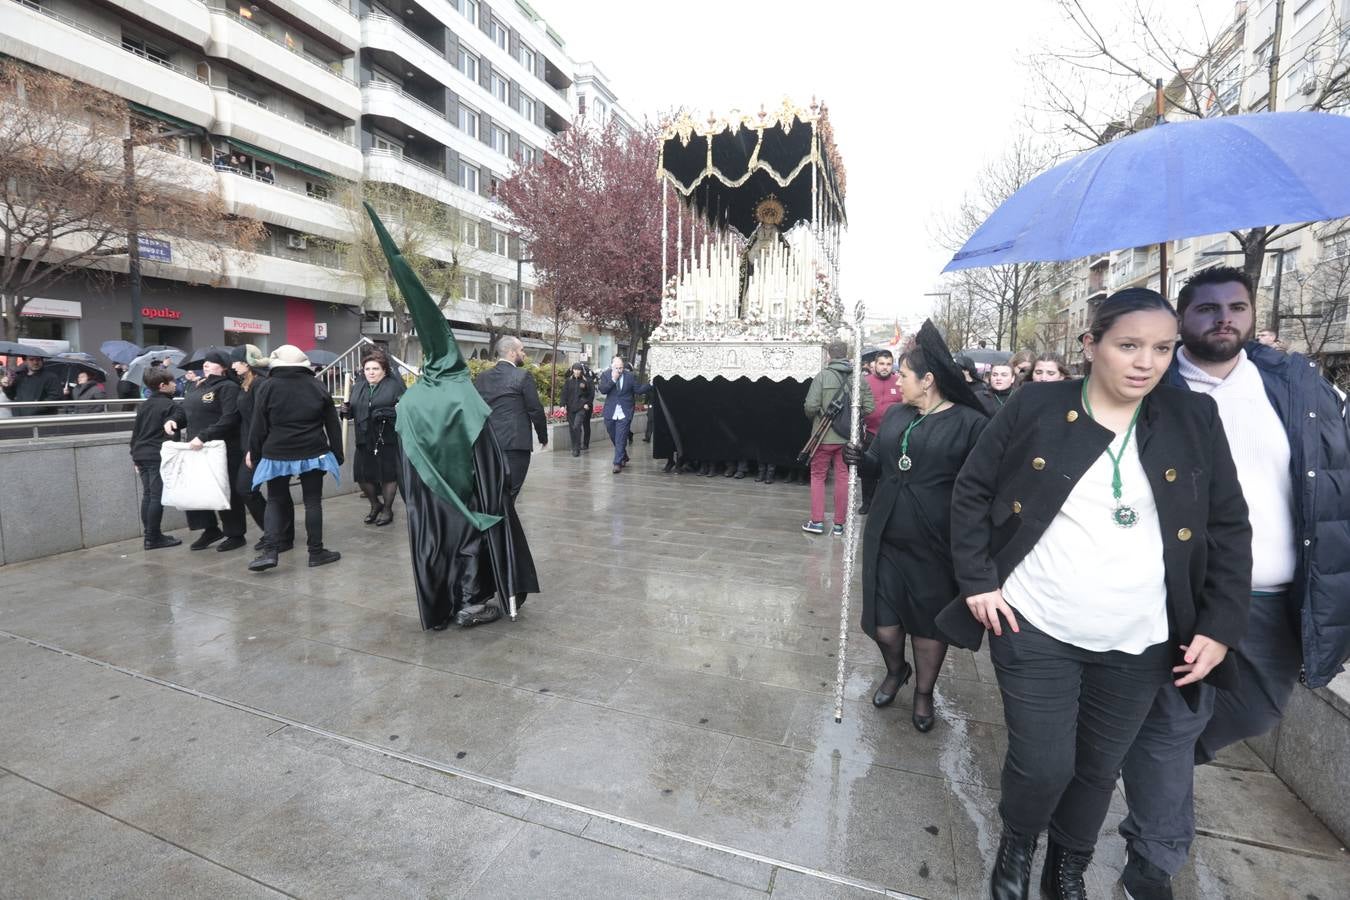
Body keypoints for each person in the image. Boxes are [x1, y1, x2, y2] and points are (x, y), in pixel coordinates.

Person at [938, 288, 1252, 900]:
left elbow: (1227, 526)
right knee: (1044, 763)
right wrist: (977, 581)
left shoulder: (1193, 420)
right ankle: (1018, 844)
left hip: (1140, 639)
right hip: (1036, 624)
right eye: (1128, 345)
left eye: (1163, 348)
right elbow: (972, 489)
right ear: (1092, 345)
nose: (1146, 362)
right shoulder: (1037, 404)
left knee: (1097, 769)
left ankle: (1067, 866)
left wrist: (1219, 625)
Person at [1117, 267, 1350, 900]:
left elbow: (1331, 478)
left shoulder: (1295, 384)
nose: (1224, 318)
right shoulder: (1153, 392)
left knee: (1259, 709)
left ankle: (1147, 762)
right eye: (1206, 309)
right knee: (1170, 728)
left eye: (1237, 307)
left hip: (1276, 597)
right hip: (1183, 599)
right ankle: (1154, 859)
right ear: (1180, 320)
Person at [843, 321, 988, 731]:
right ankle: (895, 669)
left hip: (935, 543)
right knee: (885, 626)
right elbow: (882, 463)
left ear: (928, 381)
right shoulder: (895, 416)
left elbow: (980, 487)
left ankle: (924, 694)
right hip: (887, 535)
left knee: (927, 629)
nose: (898, 383)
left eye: (904, 376)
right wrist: (863, 460)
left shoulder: (971, 424)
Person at [246, 345, 343, 572]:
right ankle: (316, 553)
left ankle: (270, 550)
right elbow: (333, 424)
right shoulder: (317, 386)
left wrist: (255, 452)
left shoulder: (268, 387)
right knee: (312, 502)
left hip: (276, 452)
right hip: (313, 452)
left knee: (275, 500)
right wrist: (337, 453)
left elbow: (258, 425)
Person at [165, 349, 248, 551]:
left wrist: (204, 436)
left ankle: (235, 534)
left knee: (226, 491)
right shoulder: (196, 386)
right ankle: (209, 528)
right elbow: (186, 412)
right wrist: (174, 420)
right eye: (205, 362)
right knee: (197, 489)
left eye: (212, 362)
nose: (206, 364)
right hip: (196, 448)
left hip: (221, 447)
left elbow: (230, 418)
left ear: (224, 367)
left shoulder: (228, 387)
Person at [802, 341, 874, 534]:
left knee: (818, 477)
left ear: (829, 356)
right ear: (846, 354)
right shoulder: (858, 379)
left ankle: (816, 521)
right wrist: (850, 419)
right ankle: (839, 525)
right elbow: (869, 407)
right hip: (847, 438)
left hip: (823, 437)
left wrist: (821, 418)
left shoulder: (822, 376)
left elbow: (810, 406)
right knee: (843, 478)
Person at [232, 344, 288, 552]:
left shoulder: (261, 384)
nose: (232, 365)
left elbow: (261, 420)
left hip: (263, 447)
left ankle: (277, 534)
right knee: (249, 489)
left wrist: (253, 449)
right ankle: (274, 532)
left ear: (246, 363)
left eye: (235, 361)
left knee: (263, 490)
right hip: (252, 445)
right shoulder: (245, 383)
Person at [474, 336, 547, 497]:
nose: (524, 354)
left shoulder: (482, 378)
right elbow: (535, 409)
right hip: (515, 445)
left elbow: (474, 409)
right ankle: (504, 522)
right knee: (511, 492)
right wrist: (543, 437)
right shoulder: (523, 376)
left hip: (489, 444)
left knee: (493, 493)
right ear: (512, 353)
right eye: (522, 350)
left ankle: (499, 521)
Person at [342, 351, 405, 525]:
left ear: (384, 370)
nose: (370, 372)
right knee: (362, 475)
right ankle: (375, 504)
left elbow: (405, 410)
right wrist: (346, 411)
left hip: (386, 436)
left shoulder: (394, 386)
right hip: (363, 436)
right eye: (367, 368)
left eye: (375, 368)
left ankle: (387, 509)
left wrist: (387, 413)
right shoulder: (358, 387)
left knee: (387, 475)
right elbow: (353, 411)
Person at [129, 369, 184, 550]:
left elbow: (136, 433)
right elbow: (181, 418)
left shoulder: (144, 405)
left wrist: (134, 457)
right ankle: (153, 538)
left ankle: (151, 535)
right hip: (156, 455)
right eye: (172, 381)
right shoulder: (170, 405)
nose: (175, 384)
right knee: (155, 497)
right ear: (163, 386)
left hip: (141, 454)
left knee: (148, 495)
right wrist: (173, 420)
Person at [860, 349, 904, 514]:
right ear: (875, 365)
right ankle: (867, 502)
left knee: (890, 471)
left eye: (888, 364)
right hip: (870, 434)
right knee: (868, 470)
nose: (885, 367)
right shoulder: (865, 382)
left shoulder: (899, 382)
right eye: (882, 364)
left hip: (893, 435)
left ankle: (886, 503)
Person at [598, 354, 650, 474]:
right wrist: (613, 379)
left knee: (621, 437)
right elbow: (603, 390)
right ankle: (623, 456)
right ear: (612, 367)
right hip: (610, 411)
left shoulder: (630, 376)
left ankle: (617, 463)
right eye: (617, 368)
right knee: (613, 435)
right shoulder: (606, 375)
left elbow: (638, 390)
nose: (620, 370)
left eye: (621, 367)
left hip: (625, 411)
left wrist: (650, 385)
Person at [559, 363, 593, 458]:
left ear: (581, 371)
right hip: (570, 408)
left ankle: (577, 448)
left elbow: (590, 394)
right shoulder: (568, 381)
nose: (577, 371)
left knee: (577, 426)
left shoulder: (585, 381)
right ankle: (574, 446)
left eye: (578, 370)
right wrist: (562, 405)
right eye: (575, 369)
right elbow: (564, 394)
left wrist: (587, 404)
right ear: (572, 370)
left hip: (581, 408)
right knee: (572, 428)